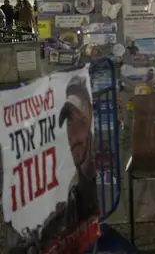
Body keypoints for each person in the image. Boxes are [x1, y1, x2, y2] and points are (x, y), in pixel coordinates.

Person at [36, 76, 100, 250]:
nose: (72, 135)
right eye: (69, 122)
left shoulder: (95, 185)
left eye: (80, 120)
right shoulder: (70, 197)